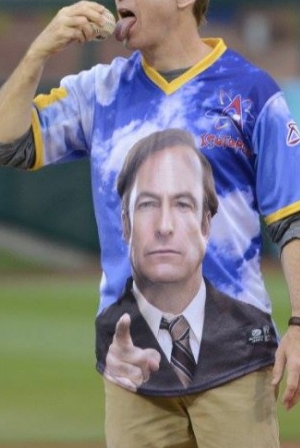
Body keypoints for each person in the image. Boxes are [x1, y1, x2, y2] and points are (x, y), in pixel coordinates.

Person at [0, 0, 300, 446]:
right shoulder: (100, 91)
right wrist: (38, 54)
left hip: (235, 358)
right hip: (131, 367)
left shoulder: (250, 91)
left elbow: (295, 217)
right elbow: (3, 145)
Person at [95, 129, 281, 445]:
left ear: (206, 224)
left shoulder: (248, 324)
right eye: (147, 204)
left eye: (182, 205)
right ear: (126, 224)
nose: (164, 226)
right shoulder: (112, 335)